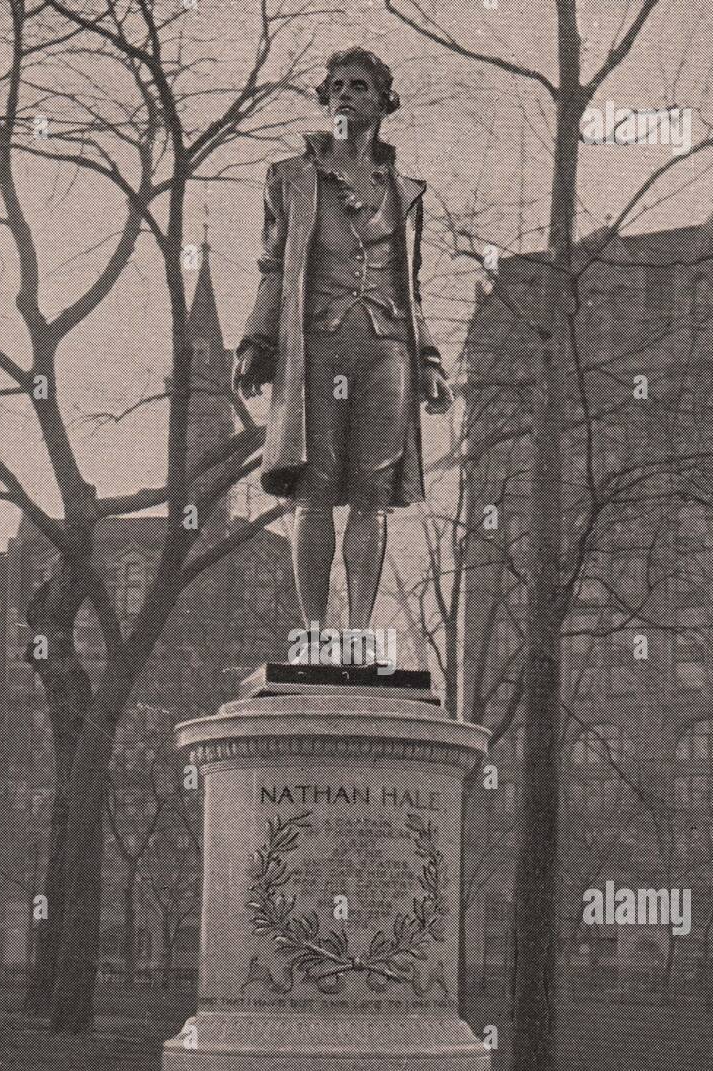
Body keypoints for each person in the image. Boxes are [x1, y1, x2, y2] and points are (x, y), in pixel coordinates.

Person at [234, 48, 452, 636]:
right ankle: (315, 631)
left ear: (384, 101)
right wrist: (256, 341)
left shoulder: (404, 191)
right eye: (335, 87)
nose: (345, 96)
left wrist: (428, 357)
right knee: (314, 487)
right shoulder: (291, 179)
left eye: (359, 87)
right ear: (324, 99)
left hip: (386, 349)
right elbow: (274, 268)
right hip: (317, 346)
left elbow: (410, 285)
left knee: (371, 490)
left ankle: (356, 633)